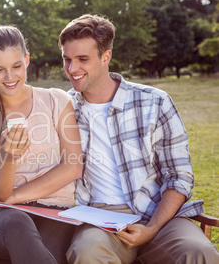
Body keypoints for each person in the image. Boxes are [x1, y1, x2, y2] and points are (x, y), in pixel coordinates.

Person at [58, 14, 219, 263]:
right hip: (100, 218)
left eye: (82, 59)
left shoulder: (155, 102)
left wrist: (153, 228)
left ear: (105, 57)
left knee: (200, 252)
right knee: (87, 251)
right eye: (67, 59)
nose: (72, 69)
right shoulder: (61, 107)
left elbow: (179, 176)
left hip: (158, 213)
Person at [0, 25, 83, 264]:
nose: (10, 77)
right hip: (5, 219)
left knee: (40, 250)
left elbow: (72, 167)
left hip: (55, 213)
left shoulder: (56, 101)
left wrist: (14, 197)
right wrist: (8, 157)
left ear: (27, 60)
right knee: (18, 223)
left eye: (16, 66)